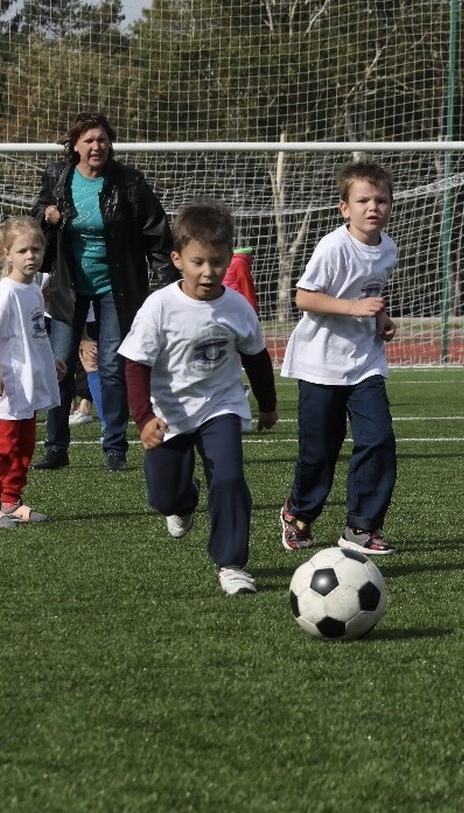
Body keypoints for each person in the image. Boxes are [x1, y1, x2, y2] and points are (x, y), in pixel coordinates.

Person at [119, 199, 278, 595]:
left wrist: (268, 403)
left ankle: (231, 563)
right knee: (164, 497)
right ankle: (183, 502)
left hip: (220, 406)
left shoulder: (237, 307)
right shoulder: (159, 306)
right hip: (168, 414)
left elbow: (257, 358)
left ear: (230, 260)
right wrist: (143, 420)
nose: (209, 272)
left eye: (218, 262)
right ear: (177, 259)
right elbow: (135, 365)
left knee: (228, 478)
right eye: (198, 262)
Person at [31, 111, 177, 472]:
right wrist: (46, 212)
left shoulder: (128, 181)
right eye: (89, 140)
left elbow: (155, 231)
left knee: (112, 365)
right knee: (59, 366)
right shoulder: (58, 176)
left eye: (102, 140)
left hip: (119, 286)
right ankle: (56, 447)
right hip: (68, 285)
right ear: (75, 145)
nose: (97, 146)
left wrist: (172, 282)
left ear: (109, 143)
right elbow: (34, 214)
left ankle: (115, 448)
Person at [279, 160, 399, 556]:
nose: (373, 207)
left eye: (381, 200)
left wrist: (381, 318)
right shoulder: (333, 247)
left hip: (364, 362)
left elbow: (372, 293)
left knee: (378, 439)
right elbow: (304, 297)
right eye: (363, 200)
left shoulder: (388, 249)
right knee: (319, 452)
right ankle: (298, 513)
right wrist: (355, 308)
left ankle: (361, 527)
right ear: (344, 207)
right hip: (320, 363)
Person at [0, 217, 64, 529]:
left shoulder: (35, 290)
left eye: (36, 249)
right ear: (6, 254)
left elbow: (35, 332)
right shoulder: (5, 292)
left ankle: (11, 500)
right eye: (23, 250)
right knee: (2, 445)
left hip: (29, 383)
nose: (30, 256)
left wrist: (49, 359)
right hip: (8, 384)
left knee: (25, 444)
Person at [223, 246, 259, 313]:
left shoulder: (229, 260)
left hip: (225, 301)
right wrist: (253, 308)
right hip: (236, 303)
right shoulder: (240, 262)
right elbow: (246, 285)